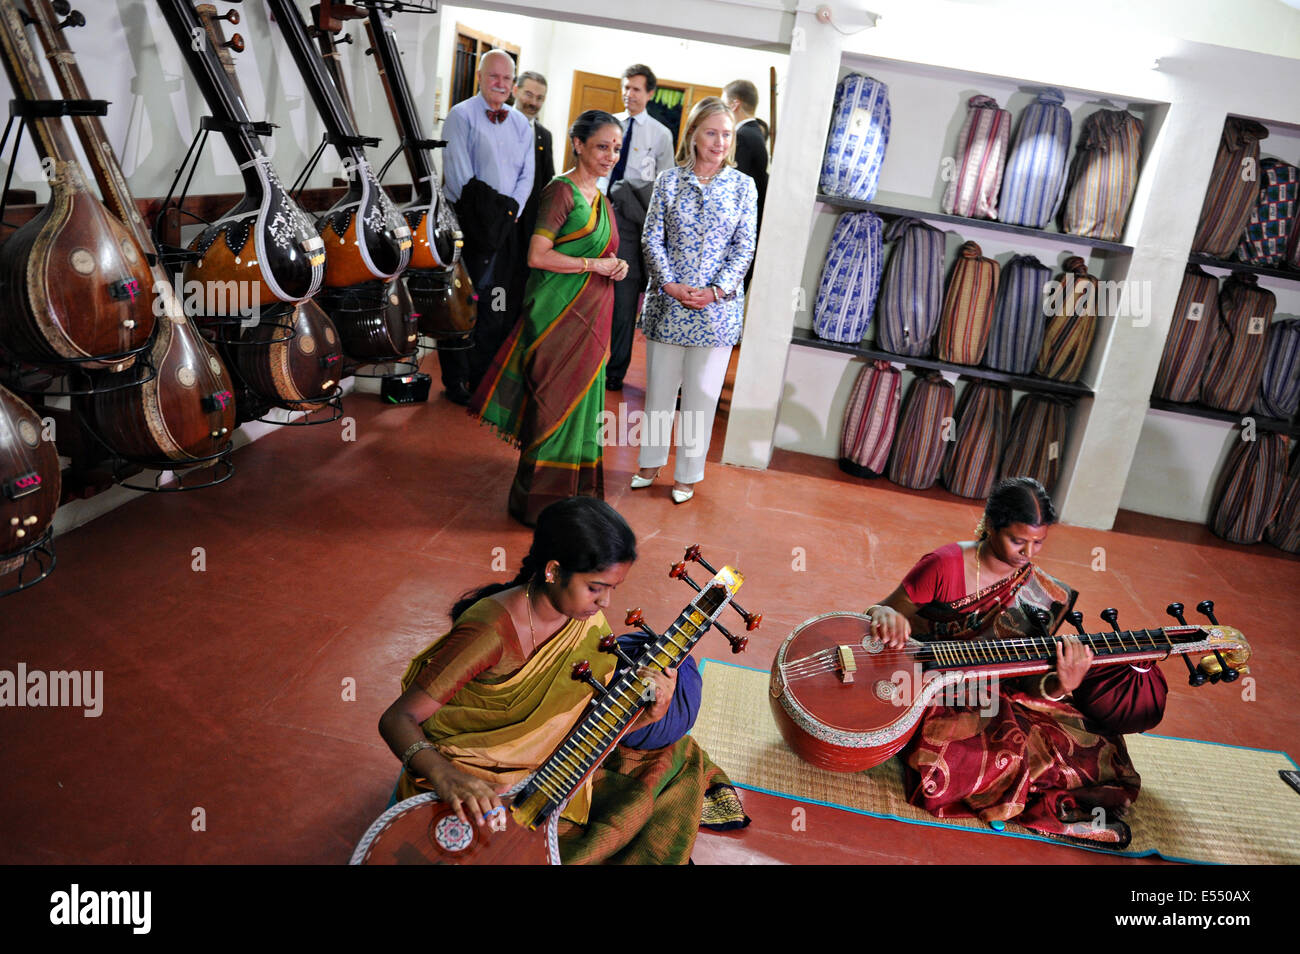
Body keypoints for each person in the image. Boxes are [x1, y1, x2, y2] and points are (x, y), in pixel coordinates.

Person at [377, 496, 748, 864]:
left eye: (613, 589)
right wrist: (447, 777)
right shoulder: (489, 632)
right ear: (553, 571)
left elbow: (577, 722)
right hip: (475, 780)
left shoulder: (589, 625)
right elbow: (397, 719)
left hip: (546, 772)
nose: (604, 602)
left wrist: (649, 714)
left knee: (676, 758)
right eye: (595, 587)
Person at [866, 476, 1169, 848]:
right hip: (930, 687)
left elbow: (1026, 679)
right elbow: (880, 611)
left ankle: (1048, 807)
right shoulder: (945, 564)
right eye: (1017, 540)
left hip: (998, 688)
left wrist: (1061, 685)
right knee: (986, 757)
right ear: (991, 526)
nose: (1028, 552)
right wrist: (887, 617)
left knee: (1095, 744)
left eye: (1038, 542)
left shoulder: (1044, 592)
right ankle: (1045, 812)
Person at [471, 111, 629, 526]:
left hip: (591, 323)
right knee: (553, 407)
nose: (610, 155)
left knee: (583, 410)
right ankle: (540, 504)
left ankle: (572, 502)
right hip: (557, 320)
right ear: (578, 144)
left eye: (616, 147)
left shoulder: (601, 198)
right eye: (601, 146)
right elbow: (537, 256)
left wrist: (614, 266)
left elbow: (599, 255)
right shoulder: (561, 192)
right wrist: (593, 266)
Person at [632, 97, 757, 504]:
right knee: (659, 394)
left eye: (727, 134)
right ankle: (649, 465)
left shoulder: (743, 186)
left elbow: (744, 246)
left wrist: (717, 290)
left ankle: (687, 474)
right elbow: (652, 237)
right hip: (668, 305)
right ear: (693, 135)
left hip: (716, 311)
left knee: (701, 400)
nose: (720, 141)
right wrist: (668, 284)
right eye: (711, 132)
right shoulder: (669, 181)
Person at [440, 49, 535, 405]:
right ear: (480, 77)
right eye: (494, 76)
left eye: (507, 78)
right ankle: (457, 380)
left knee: (496, 305)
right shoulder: (460, 115)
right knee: (462, 304)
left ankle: (484, 376)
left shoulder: (521, 124)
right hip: (468, 224)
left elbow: (528, 175)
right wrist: (494, 215)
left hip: (506, 227)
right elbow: (461, 176)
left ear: (513, 83)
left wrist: (510, 213)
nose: (501, 83)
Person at [604, 64, 676, 392]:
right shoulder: (607, 125)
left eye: (636, 89)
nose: (629, 94)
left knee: (623, 303)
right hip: (599, 215)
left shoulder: (660, 135)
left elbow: (667, 189)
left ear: (649, 94)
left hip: (633, 224)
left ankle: (615, 372)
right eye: (626, 87)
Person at [722, 79, 769, 291]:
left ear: (734, 104)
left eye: (724, 103)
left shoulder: (743, 137)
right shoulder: (755, 134)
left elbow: (732, 190)